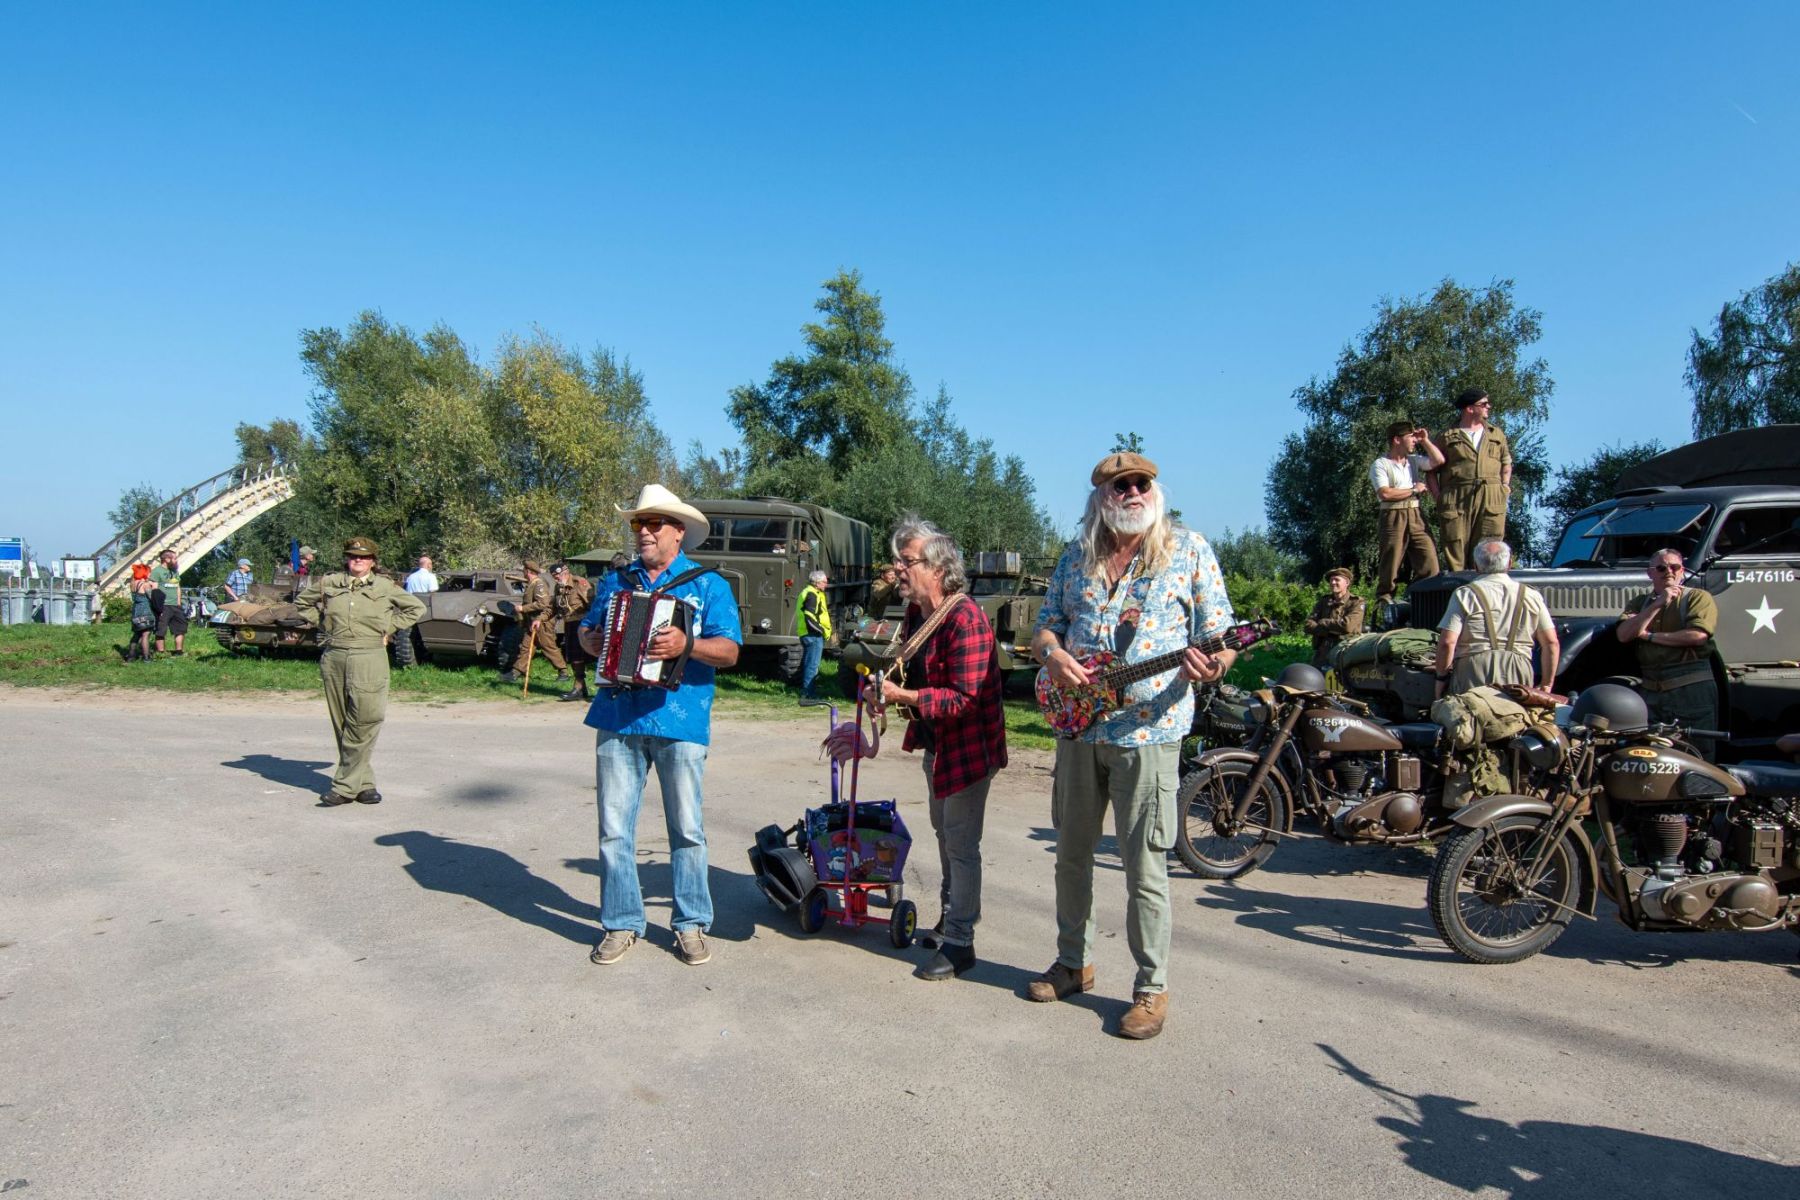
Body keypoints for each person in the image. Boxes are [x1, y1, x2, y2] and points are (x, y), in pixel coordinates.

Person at [1028, 451, 1237, 1040]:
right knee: (1071, 857)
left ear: (1156, 489)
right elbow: (1045, 625)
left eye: (1141, 482)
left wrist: (1213, 664)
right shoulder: (1077, 557)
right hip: (1077, 727)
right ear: (1101, 496)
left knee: (1144, 865)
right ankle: (1075, 963)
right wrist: (1053, 654)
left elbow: (1222, 637)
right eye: (1120, 485)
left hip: (1150, 733)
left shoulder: (1188, 551)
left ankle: (1151, 989)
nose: (1132, 491)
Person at [578, 484, 741, 967]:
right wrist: (592, 640)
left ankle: (690, 923)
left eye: (653, 525)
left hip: (680, 718)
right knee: (613, 830)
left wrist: (685, 645)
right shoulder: (617, 582)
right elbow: (588, 631)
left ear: (678, 533)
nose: (643, 533)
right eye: (637, 525)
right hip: (618, 716)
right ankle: (622, 923)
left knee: (687, 829)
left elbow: (730, 651)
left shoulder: (708, 584)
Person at [875, 517, 1007, 982]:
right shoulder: (918, 614)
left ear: (937, 567)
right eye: (898, 560)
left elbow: (965, 699)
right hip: (939, 744)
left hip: (969, 748)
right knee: (943, 836)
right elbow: (909, 670)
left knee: (962, 844)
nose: (898, 568)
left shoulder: (965, 618)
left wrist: (904, 697)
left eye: (906, 561)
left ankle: (961, 943)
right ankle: (951, 920)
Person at [295, 537, 426, 806]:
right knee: (342, 722)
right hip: (335, 655)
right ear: (347, 558)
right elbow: (302, 604)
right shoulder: (329, 583)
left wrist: (388, 627)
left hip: (369, 655)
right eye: (353, 556)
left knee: (366, 719)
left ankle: (344, 786)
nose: (358, 560)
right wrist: (324, 624)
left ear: (373, 562)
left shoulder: (385, 586)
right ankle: (364, 783)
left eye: (364, 557)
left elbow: (416, 608)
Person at [1616, 547, 1720, 757]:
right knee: (1653, 755)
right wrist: (1657, 604)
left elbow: (1698, 636)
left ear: (1682, 571)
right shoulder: (1640, 603)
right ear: (1650, 573)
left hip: (1690, 690)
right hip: (1652, 692)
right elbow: (1624, 634)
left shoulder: (1697, 598)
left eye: (1675, 567)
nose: (1669, 572)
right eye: (1661, 568)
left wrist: (1649, 636)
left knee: (1697, 753)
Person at [1432, 540, 1558, 698]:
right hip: (1518, 667)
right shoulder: (1532, 595)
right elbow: (1551, 643)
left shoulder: (1465, 594)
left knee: (1470, 717)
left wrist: (1441, 679)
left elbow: (1447, 643)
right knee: (1515, 717)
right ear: (1509, 563)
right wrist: (1547, 684)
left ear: (1476, 566)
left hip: (1474, 669)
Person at [1435, 387, 1513, 572]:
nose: (1489, 407)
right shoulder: (1447, 436)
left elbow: (1506, 463)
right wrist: (1439, 497)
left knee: (1490, 545)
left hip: (1491, 495)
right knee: (1456, 544)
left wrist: (1505, 487)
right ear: (1470, 408)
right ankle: (1459, 589)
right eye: (1484, 404)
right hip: (1457, 497)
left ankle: (1488, 588)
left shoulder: (1496, 434)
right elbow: (1432, 470)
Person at [1371, 421, 1444, 606]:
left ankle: (1421, 598)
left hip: (1416, 514)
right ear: (1397, 440)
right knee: (1391, 560)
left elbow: (1438, 461)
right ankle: (1385, 603)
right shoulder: (1381, 464)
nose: (1414, 440)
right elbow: (1385, 493)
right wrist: (1414, 490)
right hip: (1393, 515)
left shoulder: (1413, 460)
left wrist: (1425, 441)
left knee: (1429, 559)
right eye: (1410, 437)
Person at [500, 560, 569, 685]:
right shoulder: (531, 584)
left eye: (524, 571)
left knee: (548, 647)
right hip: (531, 622)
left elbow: (542, 603)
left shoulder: (539, 584)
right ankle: (516, 672)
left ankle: (563, 672)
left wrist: (523, 608)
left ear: (528, 571)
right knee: (526, 648)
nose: (523, 573)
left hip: (541, 622)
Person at [1304, 567, 1365, 667]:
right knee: (1315, 680)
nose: (1333, 582)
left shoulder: (1356, 602)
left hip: (1345, 652)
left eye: (1337, 579)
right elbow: (1308, 625)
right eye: (1331, 580)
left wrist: (1323, 622)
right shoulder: (1324, 601)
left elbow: (1347, 626)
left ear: (1347, 583)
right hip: (1322, 653)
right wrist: (1329, 631)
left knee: (1342, 681)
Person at [552, 562, 595, 703]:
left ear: (565, 572)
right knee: (573, 657)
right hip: (568, 624)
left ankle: (579, 687)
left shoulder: (579, 583)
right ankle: (580, 689)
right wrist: (540, 620)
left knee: (580, 657)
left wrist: (592, 625)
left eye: (558, 576)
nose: (556, 579)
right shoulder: (558, 588)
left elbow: (593, 604)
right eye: (554, 577)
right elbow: (552, 607)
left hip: (581, 624)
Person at [795, 569, 831, 705]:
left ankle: (808, 691)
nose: (825, 585)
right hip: (812, 634)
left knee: (809, 663)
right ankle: (808, 694)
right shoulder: (812, 594)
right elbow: (809, 616)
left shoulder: (810, 592)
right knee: (812, 665)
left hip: (807, 633)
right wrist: (820, 630)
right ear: (816, 582)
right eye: (824, 582)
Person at [149, 549, 188, 657]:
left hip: (175, 605)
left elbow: (178, 587)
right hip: (164, 605)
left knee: (180, 629)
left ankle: (178, 651)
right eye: (174, 558)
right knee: (161, 629)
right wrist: (158, 608)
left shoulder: (175, 571)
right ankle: (161, 653)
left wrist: (179, 602)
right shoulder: (157, 572)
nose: (176, 560)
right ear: (167, 559)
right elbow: (154, 590)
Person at [125, 564, 157, 662]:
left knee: (137, 634)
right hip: (145, 611)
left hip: (136, 611)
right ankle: (146, 657)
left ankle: (131, 656)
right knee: (145, 634)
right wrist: (154, 587)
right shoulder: (145, 585)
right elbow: (152, 598)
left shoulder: (133, 584)